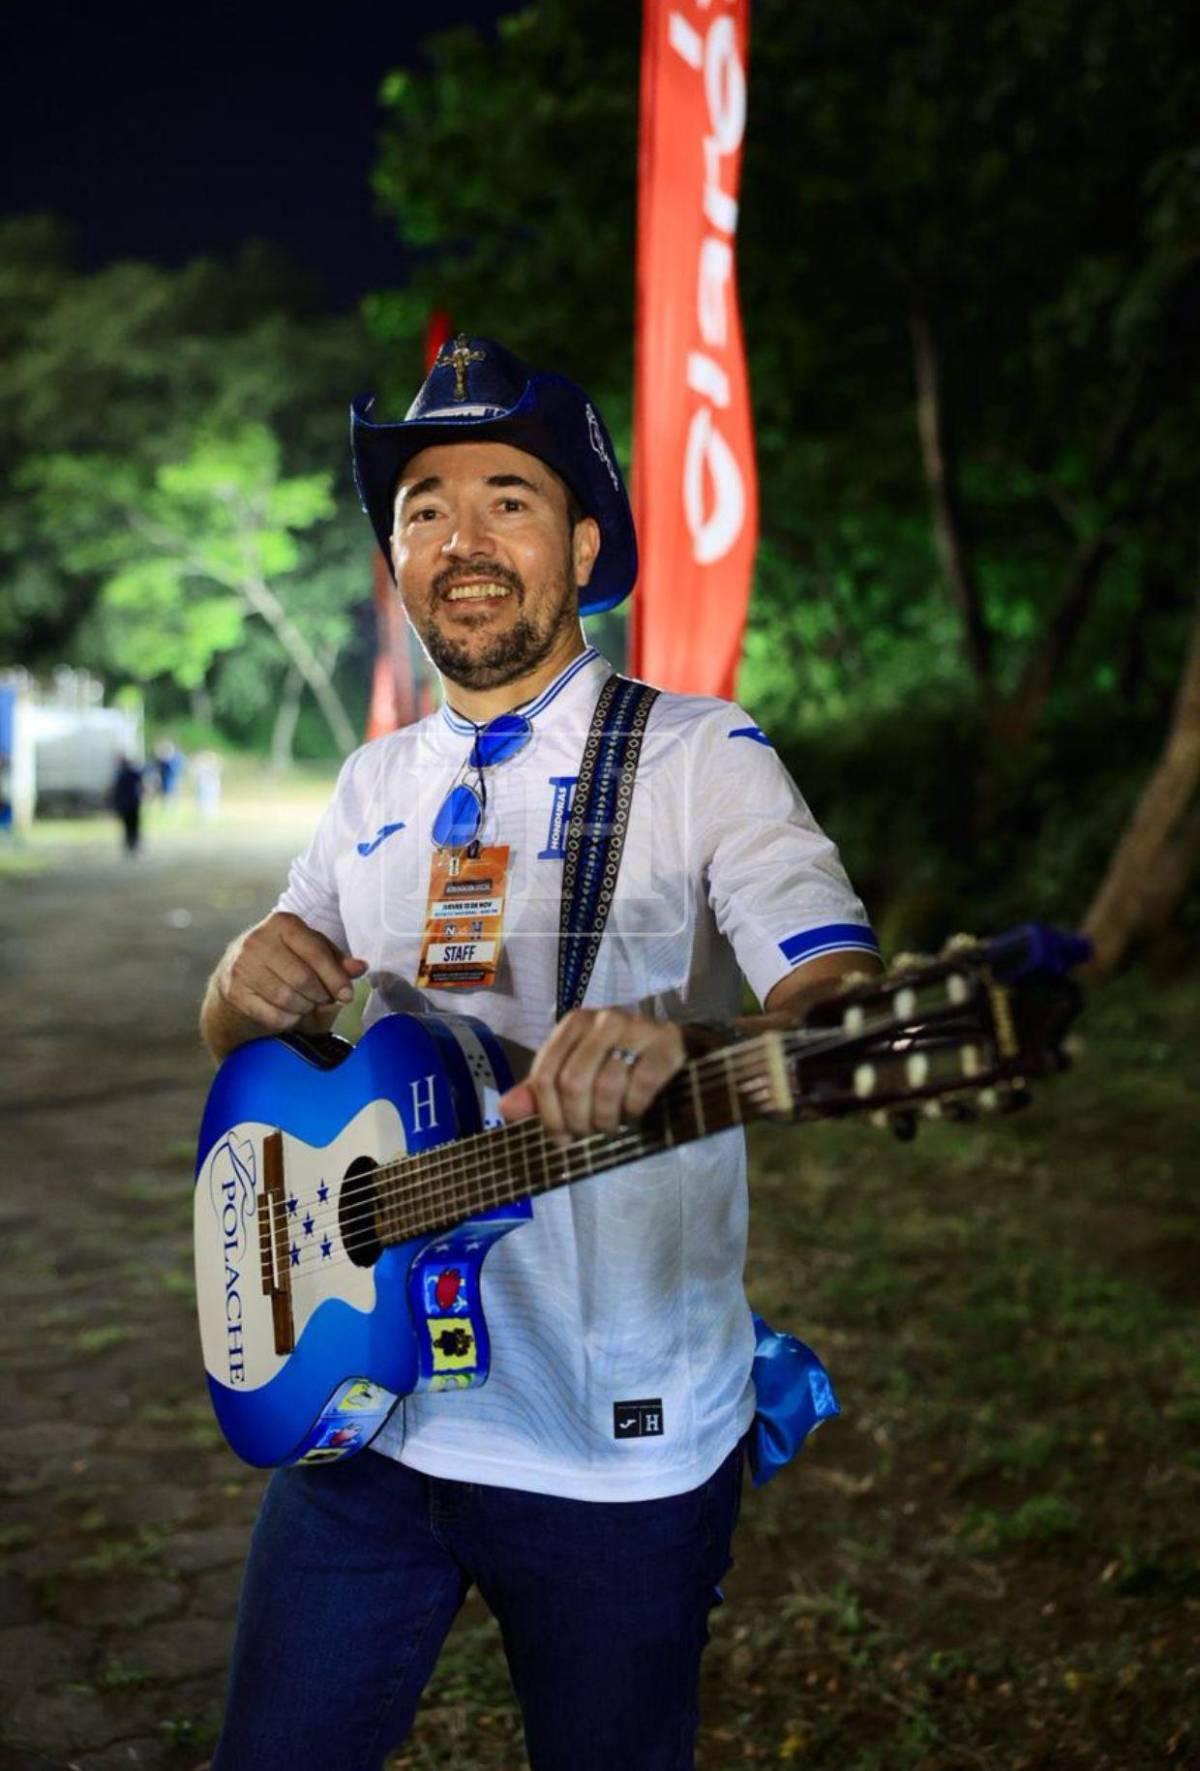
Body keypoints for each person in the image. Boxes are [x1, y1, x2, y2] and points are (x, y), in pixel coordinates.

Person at [199, 335, 882, 1771]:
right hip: (364, 1425)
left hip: (611, 1450)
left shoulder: (700, 753)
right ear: (396, 559)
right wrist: (235, 978)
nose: (461, 537)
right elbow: (244, 1041)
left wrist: (691, 1042)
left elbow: (839, 996)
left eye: (508, 496)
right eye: (424, 507)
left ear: (583, 539)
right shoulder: (373, 778)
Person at [110, 753, 143, 854]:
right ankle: (133, 844)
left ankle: (130, 844)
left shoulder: (120, 775)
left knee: (128, 826)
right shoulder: (132, 773)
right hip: (133, 803)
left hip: (126, 804)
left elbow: (116, 791)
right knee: (133, 825)